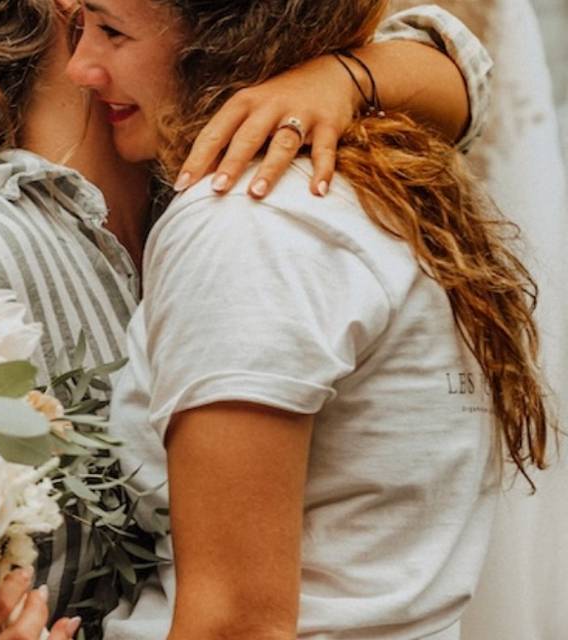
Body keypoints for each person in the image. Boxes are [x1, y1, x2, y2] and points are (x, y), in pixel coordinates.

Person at [0, 0, 497, 637]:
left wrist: (343, 77)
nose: (88, 60)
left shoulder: (235, 200)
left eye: (111, 30)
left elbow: (463, 73)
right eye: (86, 24)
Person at [65, 0, 550, 638]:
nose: (81, 67)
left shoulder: (247, 225)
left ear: (223, 39)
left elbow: (234, 623)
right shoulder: (372, 176)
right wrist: (345, 77)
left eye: (111, 31)